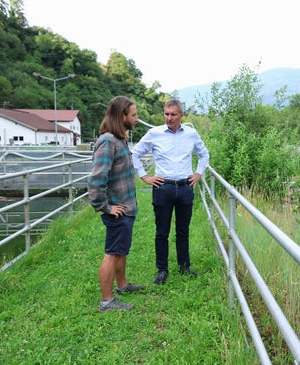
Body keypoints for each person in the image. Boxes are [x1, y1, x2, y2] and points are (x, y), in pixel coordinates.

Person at [131, 98, 209, 285]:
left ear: (181, 115)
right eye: (166, 114)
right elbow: (135, 153)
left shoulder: (191, 134)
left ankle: (184, 266)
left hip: (185, 187)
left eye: (173, 114)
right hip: (162, 188)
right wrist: (144, 176)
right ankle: (162, 270)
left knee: (183, 230)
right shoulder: (154, 133)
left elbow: (204, 153)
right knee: (162, 232)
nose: (169, 118)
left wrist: (198, 173)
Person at [88, 96, 144, 312]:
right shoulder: (108, 141)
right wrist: (107, 207)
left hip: (126, 208)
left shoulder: (120, 139)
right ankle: (107, 301)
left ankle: (122, 286)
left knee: (121, 250)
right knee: (112, 252)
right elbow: (96, 180)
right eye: (134, 115)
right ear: (122, 116)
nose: (137, 119)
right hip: (117, 211)